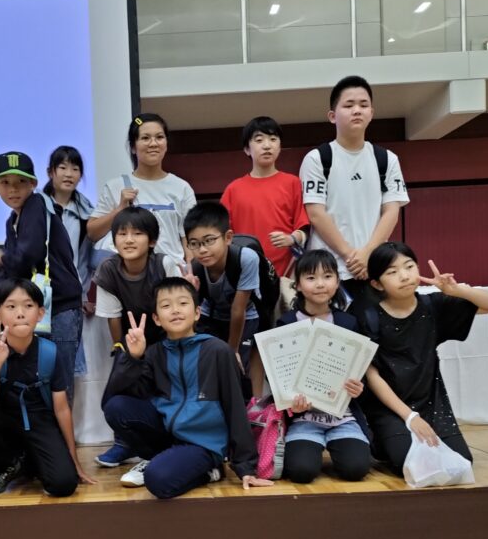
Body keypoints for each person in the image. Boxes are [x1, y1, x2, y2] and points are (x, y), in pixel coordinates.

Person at [101, 277, 273, 498]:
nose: (175, 310)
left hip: (203, 445)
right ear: (156, 319)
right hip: (168, 437)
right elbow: (116, 395)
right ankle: (163, 458)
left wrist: (245, 467)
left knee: (157, 479)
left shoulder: (218, 351)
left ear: (197, 313)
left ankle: (209, 470)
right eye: (166, 305)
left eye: (183, 303)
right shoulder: (154, 353)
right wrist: (133, 358)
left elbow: (236, 408)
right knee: (116, 407)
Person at [362, 242, 488, 476]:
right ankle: (379, 441)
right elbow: (371, 374)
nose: (404, 276)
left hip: (431, 403)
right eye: (392, 272)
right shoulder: (368, 316)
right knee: (410, 465)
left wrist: (458, 291)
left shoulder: (433, 305)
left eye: (409, 266)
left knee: (461, 463)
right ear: (377, 284)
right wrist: (409, 417)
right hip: (388, 407)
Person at [0, 278, 95, 497]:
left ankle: (26, 464)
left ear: (40, 313)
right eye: (11, 307)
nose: (20, 313)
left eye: (28, 306)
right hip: (4, 423)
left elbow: (61, 408)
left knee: (63, 485)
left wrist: (74, 459)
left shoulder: (51, 352)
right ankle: (15, 462)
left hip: (40, 422)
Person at [299, 76, 410, 309]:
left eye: (363, 105)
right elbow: (316, 213)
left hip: (373, 269)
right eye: (349, 105)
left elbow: (391, 211)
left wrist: (367, 254)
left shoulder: (387, 159)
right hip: (327, 274)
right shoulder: (317, 159)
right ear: (332, 116)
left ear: (372, 113)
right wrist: (350, 255)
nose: (357, 110)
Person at [0, 151, 84, 402]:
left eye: (21, 182)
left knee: (59, 381)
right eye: (5, 182)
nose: (13, 189)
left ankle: (62, 428)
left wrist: (3, 259)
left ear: (33, 183)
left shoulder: (36, 204)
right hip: (40, 309)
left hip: (59, 306)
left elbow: (28, 254)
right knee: (43, 379)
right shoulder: (13, 219)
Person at [92, 206, 184, 468]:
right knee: (115, 398)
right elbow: (113, 317)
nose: (129, 240)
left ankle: (178, 442)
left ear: (152, 240)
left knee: (166, 393)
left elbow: (180, 306)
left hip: (168, 339)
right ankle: (124, 443)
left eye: (137, 233)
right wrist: (122, 350)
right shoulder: (108, 269)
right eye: (122, 234)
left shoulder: (164, 264)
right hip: (131, 341)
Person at [278, 250, 372, 484]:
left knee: (356, 469)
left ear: (338, 282)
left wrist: (358, 387)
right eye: (311, 278)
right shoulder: (287, 323)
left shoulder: (348, 322)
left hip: (343, 417)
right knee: (301, 471)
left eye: (327, 276)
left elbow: (360, 371)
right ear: (298, 285)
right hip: (303, 418)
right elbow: (278, 375)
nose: (320, 284)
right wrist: (291, 400)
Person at [87, 114, 196, 266]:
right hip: (126, 273)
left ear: (166, 143)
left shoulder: (181, 187)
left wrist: (189, 268)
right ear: (133, 147)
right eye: (145, 138)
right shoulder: (115, 186)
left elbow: (190, 238)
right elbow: (92, 232)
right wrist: (119, 210)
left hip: (170, 272)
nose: (153, 143)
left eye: (159, 137)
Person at [220, 116, 310, 276]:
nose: (267, 145)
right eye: (259, 140)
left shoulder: (293, 183)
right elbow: (222, 235)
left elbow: (304, 226)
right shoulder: (233, 190)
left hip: (287, 273)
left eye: (273, 139)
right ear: (247, 149)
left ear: (280, 147)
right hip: (245, 272)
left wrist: (291, 238)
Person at [186, 201, 260, 374]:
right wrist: (190, 292)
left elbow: (238, 309)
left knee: (238, 366)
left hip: (246, 315)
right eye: (194, 243)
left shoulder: (247, 259)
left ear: (228, 237)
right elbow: (192, 312)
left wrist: (232, 350)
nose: (202, 250)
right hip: (212, 313)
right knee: (208, 363)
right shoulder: (194, 267)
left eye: (209, 241)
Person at [43, 145, 96, 376]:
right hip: (41, 294)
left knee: (65, 370)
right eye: (62, 167)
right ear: (50, 172)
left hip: (70, 299)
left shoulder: (87, 214)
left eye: (75, 169)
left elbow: (84, 260)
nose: (69, 174)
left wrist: (82, 295)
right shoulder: (38, 207)